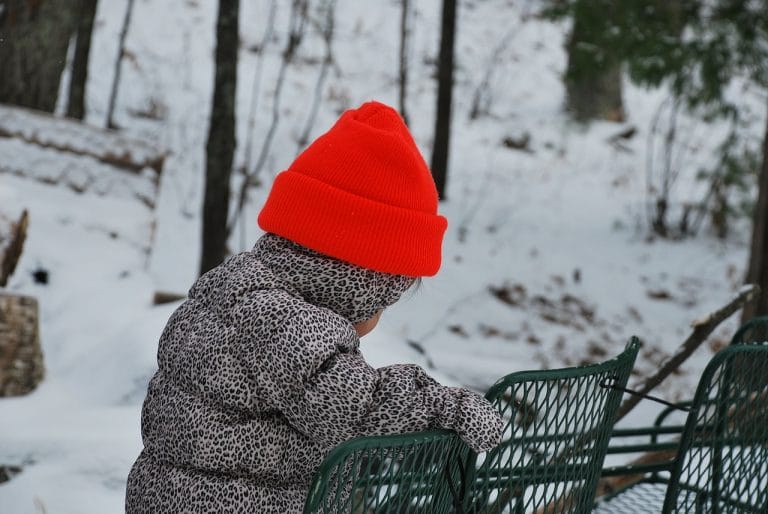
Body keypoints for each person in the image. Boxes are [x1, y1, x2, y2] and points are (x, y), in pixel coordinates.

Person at [125, 101, 503, 513]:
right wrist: (449, 409)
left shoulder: (236, 288)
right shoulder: (285, 323)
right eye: (384, 301)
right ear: (358, 284)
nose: (378, 318)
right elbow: (359, 408)